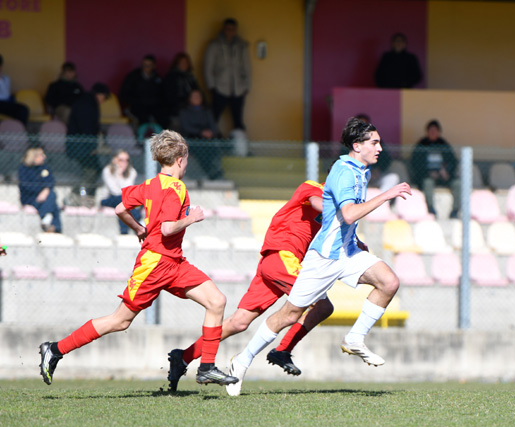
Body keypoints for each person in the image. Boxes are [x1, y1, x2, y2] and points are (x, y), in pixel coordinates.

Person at [222, 117, 411, 396]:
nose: (380, 148)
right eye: (375, 142)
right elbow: (348, 214)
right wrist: (386, 195)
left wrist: (356, 241)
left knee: (389, 282)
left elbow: (339, 218)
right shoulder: (344, 171)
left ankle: (355, 338)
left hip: (347, 252)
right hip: (324, 257)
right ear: (357, 146)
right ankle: (242, 360)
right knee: (289, 314)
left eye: (379, 142)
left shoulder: (363, 172)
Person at [38, 130, 237, 388]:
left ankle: (207, 367)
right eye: (186, 160)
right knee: (119, 320)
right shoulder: (176, 187)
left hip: (174, 262)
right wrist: (191, 218)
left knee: (216, 301)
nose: (186, 165)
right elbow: (167, 228)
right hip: (155, 264)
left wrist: (138, 228)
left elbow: (120, 208)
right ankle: (55, 349)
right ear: (180, 160)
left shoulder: (150, 184)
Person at [167, 180, 334, 394]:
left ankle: (184, 357)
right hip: (283, 257)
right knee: (322, 306)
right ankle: (282, 350)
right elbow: (318, 203)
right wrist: (343, 209)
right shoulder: (314, 188)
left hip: (275, 263)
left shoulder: (338, 205)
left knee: (238, 322)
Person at [204, 18, 251, 131]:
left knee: (238, 120)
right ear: (223, 29)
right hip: (219, 87)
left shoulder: (241, 46)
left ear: (235, 30)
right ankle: (210, 141)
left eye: (232, 29)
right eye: (228, 29)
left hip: (238, 88)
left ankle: (239, 142)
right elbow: (207, 67)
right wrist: (211, 86)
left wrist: (247, 86)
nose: (230, 31)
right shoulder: (214, 45)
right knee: (213, 118)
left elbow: (247, 67)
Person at [410, 119, 459, 218]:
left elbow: (453, 161)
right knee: (428, 182)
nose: (433, 133)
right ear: (427, 132)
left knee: (458, 183)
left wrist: (447, 171)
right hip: (427, 176)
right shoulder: (421, 144)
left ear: (439, 132)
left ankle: (455, 210)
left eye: (435, 131)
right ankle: (431, 209)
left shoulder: (444, 144)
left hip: (443, 176)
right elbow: (415, 163)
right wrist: (429, 173)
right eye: (431, 131)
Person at [66, 82, 110, 193]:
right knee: (92, 169)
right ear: (99, 94)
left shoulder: (87, 102)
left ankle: (86, 193)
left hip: (81, 146)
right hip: (81, 146)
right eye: (104, 97)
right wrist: (91, 147)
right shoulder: (87, 104)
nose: (103, 101)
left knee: (94, 169)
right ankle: (79, 193)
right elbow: (87, 128)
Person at [339, 114, 399, 193]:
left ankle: (379, 198)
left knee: (393, 177)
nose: (379, 148)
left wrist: (378, 170)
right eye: (373, 143)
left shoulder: (373, 138)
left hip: (374, 176)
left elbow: (386, 159)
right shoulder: (347, 144)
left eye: (365, 125)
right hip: (356, 178)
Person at [178, 89, 223, 180]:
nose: (196, 98)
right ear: (189, 98)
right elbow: (186, 127)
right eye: (194, 96)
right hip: (191, 139)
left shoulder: (207, 111)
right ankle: (208, 173)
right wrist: (200, 132)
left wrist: (210, 133)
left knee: (213, 150)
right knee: (200, 151)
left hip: (206, 140)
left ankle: (212, 173)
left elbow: (213, 127)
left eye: (198, 96)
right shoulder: (184, 111)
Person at [18, 147, 62, 233]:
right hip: (30, 197)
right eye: (41, 155)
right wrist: (41, 191)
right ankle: (56, 228)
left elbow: (51, 181)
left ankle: (47, 219)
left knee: (51, 195)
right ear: (34, 157)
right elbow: (27, 186)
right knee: (53, 203)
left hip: (44, 196)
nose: (44, 157)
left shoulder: (44, 168)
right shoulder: (24, 169)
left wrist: (45, 191)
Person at [120, 54, 166, 128]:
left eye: (149, 65)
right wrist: (136, 101)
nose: (146, 67)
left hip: (154, 107)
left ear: (154, 66)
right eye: (144, 65)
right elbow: (124, 94)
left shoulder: (158, 78)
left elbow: (163, 95)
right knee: (143, 119)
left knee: (163, 118)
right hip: (138, 106)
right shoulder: (133, 77)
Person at [100, 150, 140, 234]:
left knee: (123, 207)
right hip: (109, 198)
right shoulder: (107, 171)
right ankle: (136, 217)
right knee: (122, 202)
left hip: (124, 200)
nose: (124, 163)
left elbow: (128, 189)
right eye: (121, 160)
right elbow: (115, 191)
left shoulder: (132, 172)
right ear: (114, 160)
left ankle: (124, 232)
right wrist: (119, 175)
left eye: (127, 160)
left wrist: (121, 175)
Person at [163, 52, 200, 129]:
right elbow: (169, 97)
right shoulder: (171, 77)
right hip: (176, 110)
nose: (184, 65)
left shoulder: (191, 77)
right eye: (181, 62)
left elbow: (197, 93)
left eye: (186, 62)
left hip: (191, 108)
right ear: (177, 64)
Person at [0, 54, 30, 125]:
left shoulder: (5, 79)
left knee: (23, 109)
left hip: (3, 103)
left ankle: (19, 131)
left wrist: (0, 79)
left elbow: (6, 95)